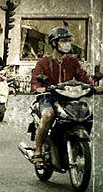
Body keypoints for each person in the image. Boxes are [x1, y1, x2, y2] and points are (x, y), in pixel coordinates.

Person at [28, 27, 92, 165]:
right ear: (54, 43)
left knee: (86, 113)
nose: (67, 44)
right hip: (48, 98)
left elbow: (83, 78)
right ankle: (38, 151)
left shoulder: (73, 62)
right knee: (48, 115)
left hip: (70, 98)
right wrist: (38, 88)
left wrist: (92, 86)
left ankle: (76, 145)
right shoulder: (43, 62)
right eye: (63, 41)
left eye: (69, 41)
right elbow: (35, 81)